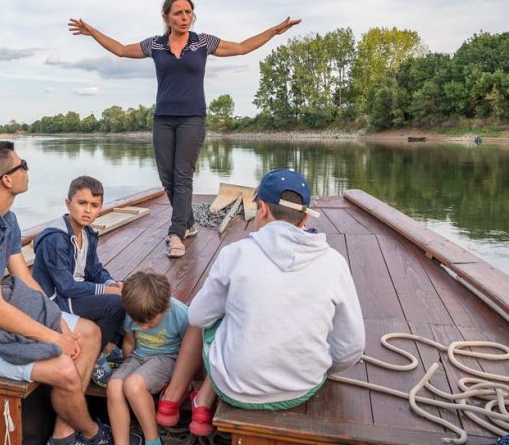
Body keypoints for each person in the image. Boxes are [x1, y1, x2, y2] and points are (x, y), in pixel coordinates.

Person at [69, 0, 300, 258]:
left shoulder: (202, 42)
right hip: (163, 118)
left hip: (193, 118)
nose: (184, 17)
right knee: (167, 176)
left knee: (182, 175)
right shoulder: (155, 45)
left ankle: (176, 232)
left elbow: (242, 47)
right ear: (166, 16)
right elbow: (121, 50)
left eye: (188, 12)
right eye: (178, 13)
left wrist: (273, 31)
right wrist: (92, 32)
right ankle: (188, 223)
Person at [0, 141, 113, 445]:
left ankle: (62, 436)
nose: (28, 168)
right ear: (7, 180)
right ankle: (92, 433)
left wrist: (59, 323)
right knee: (64, 368)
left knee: (88, 334)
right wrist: (54, 338)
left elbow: (25, 279)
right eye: (22, 164)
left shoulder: (6, 218)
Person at [154, 169, 365, 436]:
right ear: (304, 215)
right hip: (303, 387)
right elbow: (352, 347)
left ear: (262, 208)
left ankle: (179, 399)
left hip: (236, 389)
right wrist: (318, 363)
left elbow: (197, 318)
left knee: (211, 314)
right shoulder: (334, 262)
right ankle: (200, 400)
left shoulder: (235, 254)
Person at [33, 175, 126, 386]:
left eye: (94, 205)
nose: (88, 210)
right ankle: (93, 358)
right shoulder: (56, 239)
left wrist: (111, 283)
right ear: (68, 203)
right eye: (82, 203)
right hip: (56, 299)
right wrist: (107, 292)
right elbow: (65, 286)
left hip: (74, 292)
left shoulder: (88, 234)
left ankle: (107, 347)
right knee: (116, 304)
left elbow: (94, 268)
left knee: (126, 295)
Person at [106, 271, 189, 445]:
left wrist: (194, 378)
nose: (143, 326)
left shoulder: (179, 313)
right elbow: (129, 341)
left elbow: (191, 349)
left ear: (164, 307)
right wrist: (126, 365)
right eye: (138, 322)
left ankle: (153, 441)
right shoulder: (135, 311)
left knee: (133, 385)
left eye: (149, 322)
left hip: (167, 357)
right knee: (114, 386)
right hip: (139, 356)